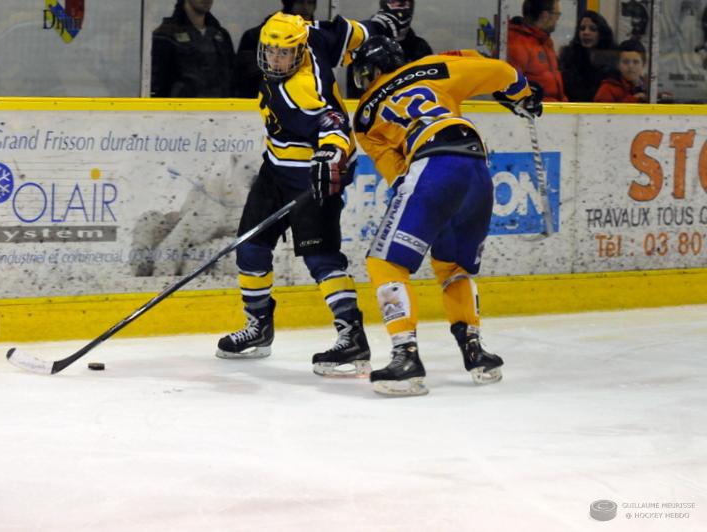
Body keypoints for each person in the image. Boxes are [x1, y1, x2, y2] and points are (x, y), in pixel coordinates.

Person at [215, 8, 413, 378]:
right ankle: (258, 328)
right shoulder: (314, 35)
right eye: (270, 51)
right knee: (250, 248)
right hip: (275, 170)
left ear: (299, 51)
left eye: (283, 53)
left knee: (321, 259)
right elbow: (348, 33)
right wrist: (380, 25)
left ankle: (352, 337)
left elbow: (333, 122)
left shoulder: (302, 89)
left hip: (313, 176)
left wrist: (332, 154)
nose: (275, 59)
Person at [346, 36, 542, 396]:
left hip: (431, 162)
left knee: (384, 263)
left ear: (368, 72)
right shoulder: (431, 68)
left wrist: (428, 198)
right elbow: (502, 71)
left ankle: (405, 357)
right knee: (453, 267)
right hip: (478, 166)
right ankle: (476, 352)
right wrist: (522, 94)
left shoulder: (364, 116)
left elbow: (398, 176)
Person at [345, 1, 433, 99]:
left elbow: (429, 90)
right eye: (395, 2)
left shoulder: (420, 47)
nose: (401, 9)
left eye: (404, 3)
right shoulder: (365, 47)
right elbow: (356, 95)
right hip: (372, 108)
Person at [234, 0, 318, 99]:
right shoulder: (256, 37)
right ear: (289, 4)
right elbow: (245, 80)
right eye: (300, 2)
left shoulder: (317, 38)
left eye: (310, 2)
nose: (306, 7)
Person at [151, 0, 235, 97]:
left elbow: (233, 82)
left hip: (221, 110)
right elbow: (157, 88)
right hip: (178, 109)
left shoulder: (222, 36)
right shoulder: (166, 36)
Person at [507, 0, 567, 101]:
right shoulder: (517, 43)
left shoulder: (545, 41)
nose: (557, 20)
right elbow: (512, 87)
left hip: (553, 111)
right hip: (535, 113)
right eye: (557, 14)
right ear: (545, 16)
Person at [558, 10, 618, 102]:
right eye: (582, 28)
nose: (586, 32)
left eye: (593, 29)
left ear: (601, 33)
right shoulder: (568, 57)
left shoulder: (612, 60)